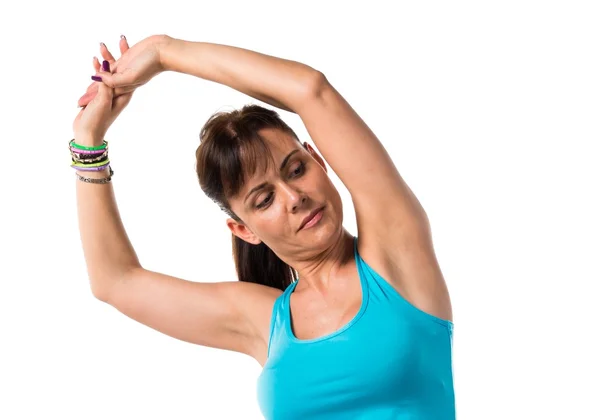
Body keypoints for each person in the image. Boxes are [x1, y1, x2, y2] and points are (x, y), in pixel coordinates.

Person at [74, 34, 455, 419]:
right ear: (244, 230)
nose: (294, 197)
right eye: (264, 199)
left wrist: (164, 53)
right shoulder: (265, 321)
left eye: (296, 169)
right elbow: (115, 281)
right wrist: (88, 143)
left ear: (318, 160)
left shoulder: (395, 253)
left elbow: (311, 91)